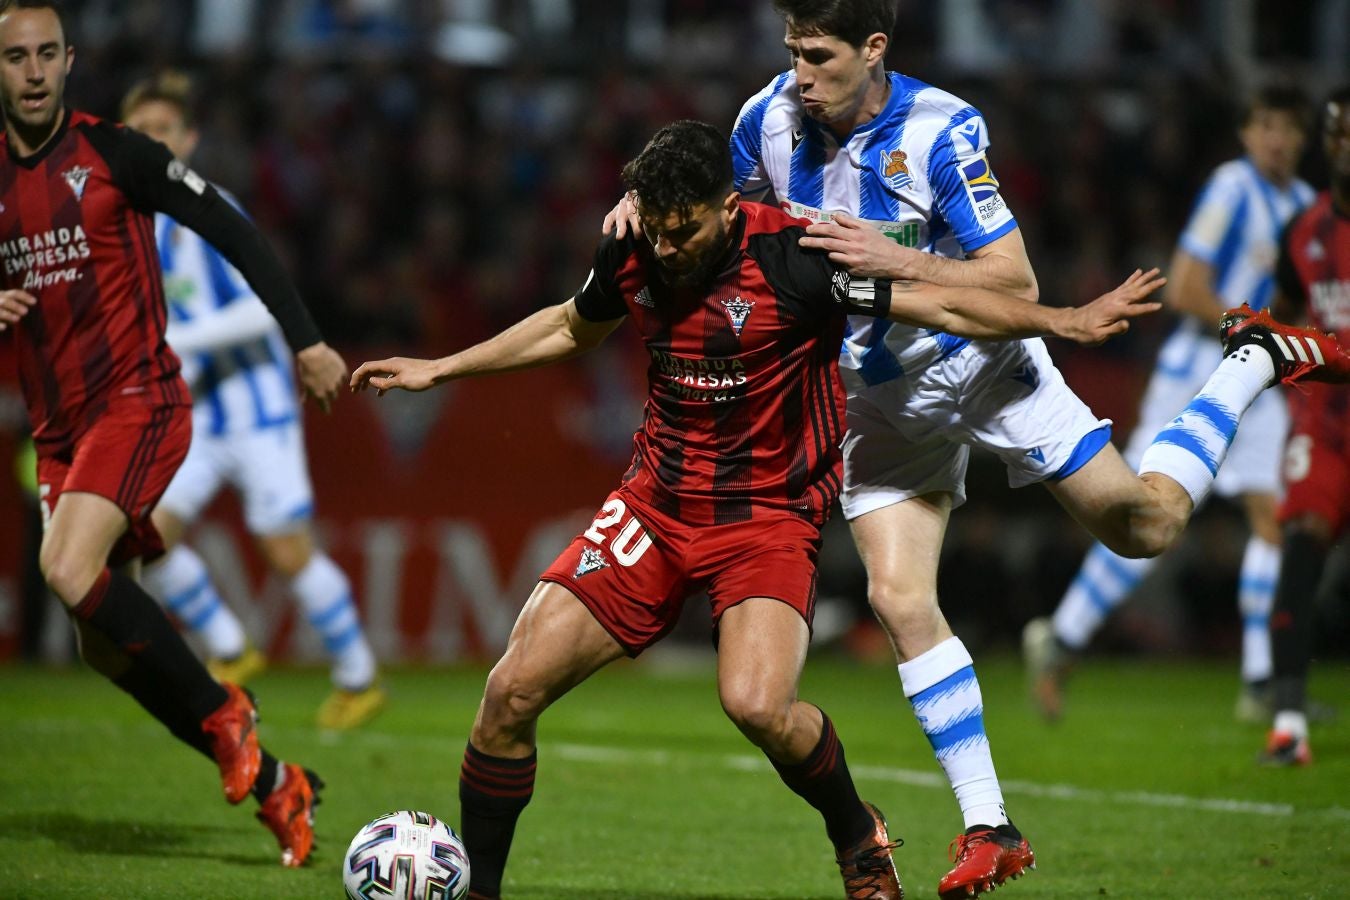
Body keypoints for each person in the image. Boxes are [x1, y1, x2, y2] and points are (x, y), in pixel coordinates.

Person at [597, 3, 1350, 897]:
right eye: (793, 51)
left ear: (875, 49)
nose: (800, 72)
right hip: (878, 400)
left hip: (984, 363)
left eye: (819, 55)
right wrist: (642, 198)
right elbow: (709, 196)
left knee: (1145, 528)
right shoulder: (767, 121)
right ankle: (992, 825)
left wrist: (895, 258)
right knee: (898, 595)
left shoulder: (942, 129)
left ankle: (1256, 359)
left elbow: (1012, 279)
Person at [352, 119, 1168, 900]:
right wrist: (442, 368)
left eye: (685, 231)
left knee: (757, 706)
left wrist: (1061, 318)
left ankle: (856, 832)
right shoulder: (632, 244)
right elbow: (573, 327)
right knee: (509, 693)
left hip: (767, 517)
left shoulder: (800, 257)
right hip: (655, 507)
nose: (667, 250)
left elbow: (943, 307)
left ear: (729, 207)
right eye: (658, 232)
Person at [0, 0, 342, 866]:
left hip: (139, 401)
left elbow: (232, 230)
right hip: (61, 431)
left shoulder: (116, 154)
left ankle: (230, 711)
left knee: (64, 569)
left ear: (70, 59)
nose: (33, 71)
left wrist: (304, 339)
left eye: (47, 54)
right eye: (15, 58)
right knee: (104, 647)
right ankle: (277, 784)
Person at [1024, 84, 1317, 724]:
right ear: (1246, 133)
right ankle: (1064, 636)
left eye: (1288, 127)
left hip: (1258, 381)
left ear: (1304, 138)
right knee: (1143, 518)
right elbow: (1186, 287)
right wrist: (1255, 326)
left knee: (1275, 520)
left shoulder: (1303, 205)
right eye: (1265, 123)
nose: (1276, 138)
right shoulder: (1232, 188)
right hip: (1194, 370)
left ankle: (1263, 681)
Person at [121, 71, 385, 731]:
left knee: (285, 549)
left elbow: (259, 315)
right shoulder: (136, 226)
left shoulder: (211, 209)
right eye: (142, 132)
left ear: (188, 139)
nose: (155, 142)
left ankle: (358, 677)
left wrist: (178, 338)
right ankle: (231, 649)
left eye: (166, 131)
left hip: (257, 407)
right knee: (145, 535)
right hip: (198, 413)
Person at [1255, 86, 1350, 766]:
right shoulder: (1305, 231)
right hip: (1327, 425)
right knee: (1300, 545)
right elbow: (1281, 314)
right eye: (1340, 132)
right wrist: (1257, 335)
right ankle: (1288, 722)